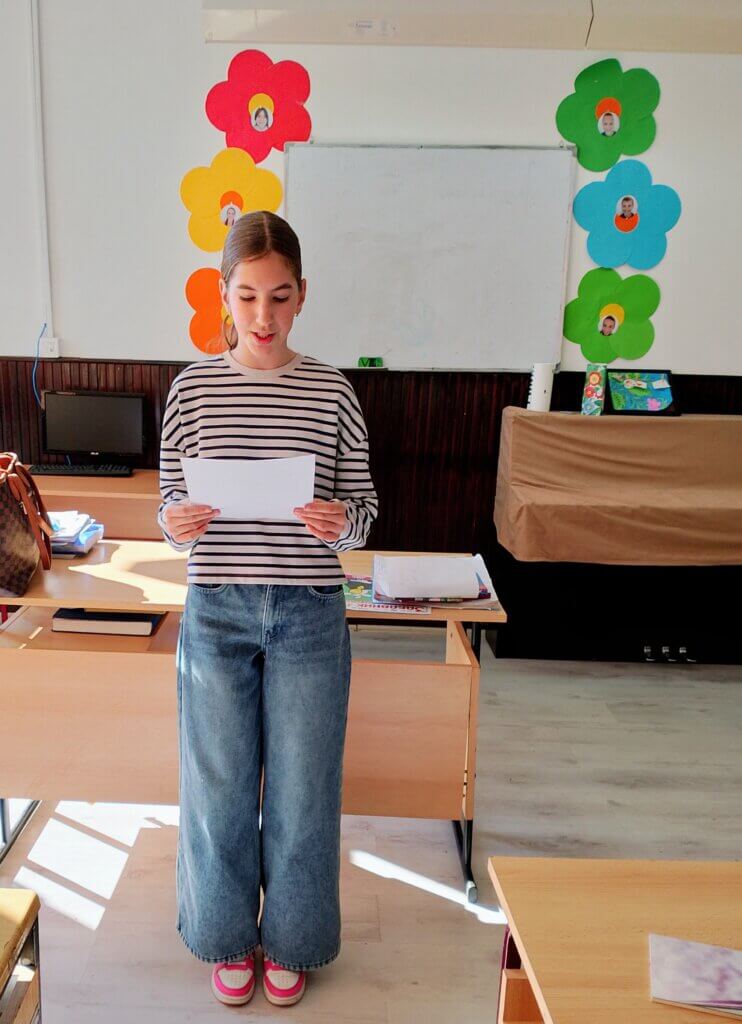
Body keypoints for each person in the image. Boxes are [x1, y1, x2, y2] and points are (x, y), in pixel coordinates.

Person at [158, 211, 379, 1008]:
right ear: (224, 295)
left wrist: (339, 522)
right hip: (216, 610)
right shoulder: (191, 391)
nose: (263, 316)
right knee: (217, 787)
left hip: (309, 612)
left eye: (279, 297)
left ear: (302, 296)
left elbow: (364, 513)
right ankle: (225, 936)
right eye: (247, 296)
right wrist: (177, 522)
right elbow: (168, 506)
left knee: (303, 790)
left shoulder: (331, 390)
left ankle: (293, 940)